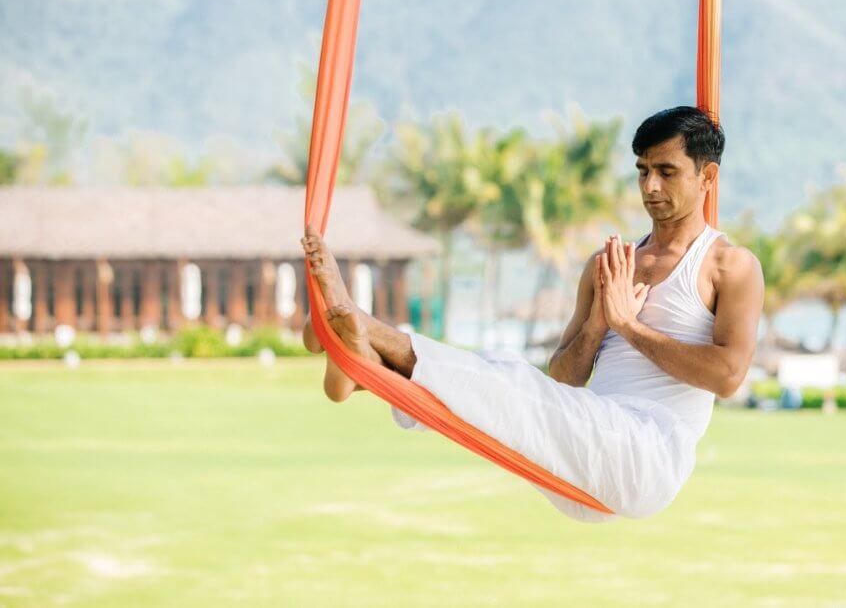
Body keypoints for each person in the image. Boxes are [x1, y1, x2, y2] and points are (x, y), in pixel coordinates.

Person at [301, 106, 764, 522]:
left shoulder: (729, 266)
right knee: (501, 397)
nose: (651, 186)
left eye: (667, 171)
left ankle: (359, 325)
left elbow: (727, 377)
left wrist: (628, 325)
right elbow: (561, 382)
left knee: (506, 377)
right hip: (581, 447)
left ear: (707, 178)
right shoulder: (608, 266)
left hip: (647, 455)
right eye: (642, 171)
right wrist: (599, 324)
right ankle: (366, 375)